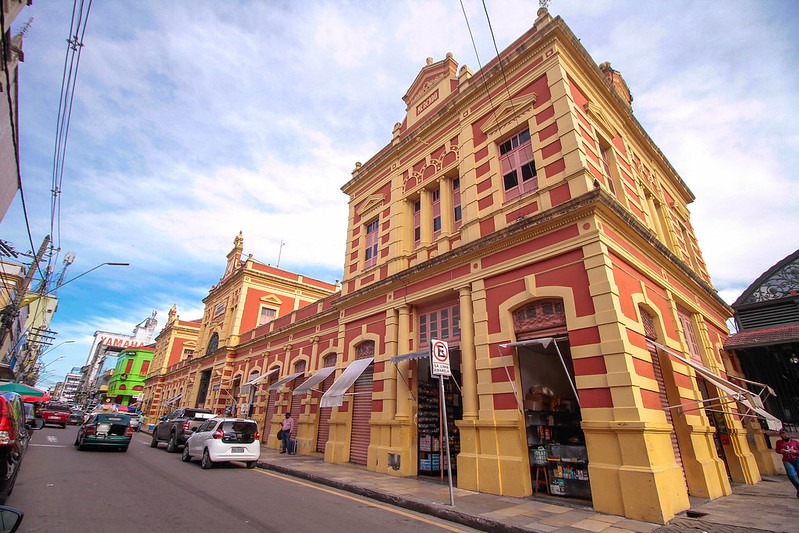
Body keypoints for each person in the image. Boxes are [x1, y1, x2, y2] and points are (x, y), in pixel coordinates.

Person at [775, 428, 799, 498]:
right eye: (782, 435)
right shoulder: (779, 442)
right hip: (787, 460)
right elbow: (777, 450)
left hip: (796, 459)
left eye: (785, 435)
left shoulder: (795, 442)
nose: (784, 437)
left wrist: (795, 452)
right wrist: (781, 451)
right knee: (791, 475)